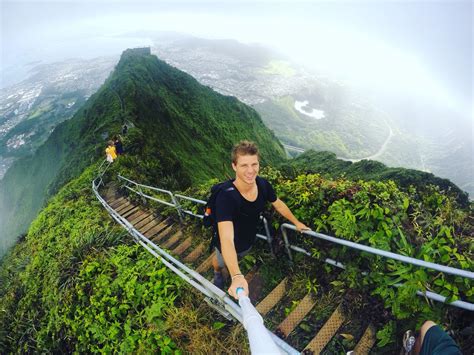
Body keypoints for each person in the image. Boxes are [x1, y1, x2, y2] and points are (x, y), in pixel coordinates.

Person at [212, 140, 310, 299]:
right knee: (220, 263)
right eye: (244, 165)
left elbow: (278, 204)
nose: (251, 171)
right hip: (226, 243)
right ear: (234, 166)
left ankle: (230, 269)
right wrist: (237, 276)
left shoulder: (263, 185)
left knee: (239, 257)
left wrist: (297, 223)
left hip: (248, 240)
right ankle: (217, 272)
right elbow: (227, 239)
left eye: (254, 164)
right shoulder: (226, 196)